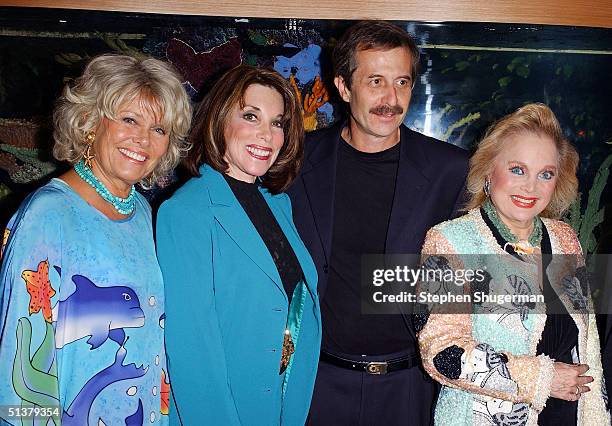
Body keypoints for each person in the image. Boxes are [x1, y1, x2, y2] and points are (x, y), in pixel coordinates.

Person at [287, 20, 469, 425]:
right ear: (344, 86)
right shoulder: (296, 162)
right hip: (318, 384)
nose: (392, 98)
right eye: (376, 82)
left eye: (402, 82)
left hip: (411, 389)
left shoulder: (450, 170)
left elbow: (479, 277)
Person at [0, 54, 192, 425]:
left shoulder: (142, 212)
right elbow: (16, 364)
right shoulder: (48, 214)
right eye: (129, 119)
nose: (143, 139)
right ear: (90, 122)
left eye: (159, 129)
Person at [416, 103, 610, 425]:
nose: (530, 187)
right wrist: (543, 378)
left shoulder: (564, 238)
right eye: (517, 170)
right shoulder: (450, 242)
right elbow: (441, 352)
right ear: (489, 171)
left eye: (545, 174)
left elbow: (588, 347)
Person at [156, 65, 321, 426]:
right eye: (251, 116)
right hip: (225, 410)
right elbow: (191, 349)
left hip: (281, 402)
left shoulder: (278, 204)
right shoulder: (185, 211)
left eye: (277, 122)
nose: (267, 135)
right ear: (219, 121)